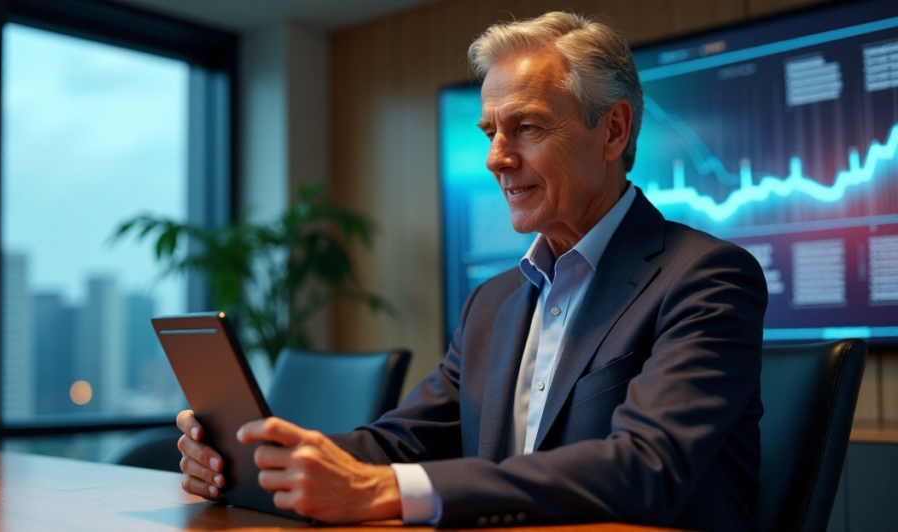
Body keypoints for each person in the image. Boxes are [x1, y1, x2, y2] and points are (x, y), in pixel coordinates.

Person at [175, 11, 768, 531]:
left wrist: (388, 492)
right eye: (490, 132)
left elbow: (645, 466)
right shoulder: (493, 302)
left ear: (611, 130)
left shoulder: (708, 277)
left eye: (527, 128)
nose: (496, 159)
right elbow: (401, 442)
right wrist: (271, 460)